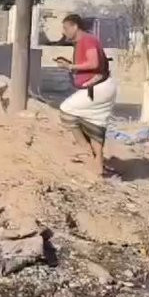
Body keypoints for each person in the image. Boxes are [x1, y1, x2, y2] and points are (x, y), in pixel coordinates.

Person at [55, 13, 117, 178]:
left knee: (66, 110)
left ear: (75, 26)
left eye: (66, 28)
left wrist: (70, 67)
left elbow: (93, 62)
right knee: (95, 123)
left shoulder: (86, 40)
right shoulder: (85, 41)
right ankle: (98, 165)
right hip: (101, 88)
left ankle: (86, 151)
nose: (64, 32)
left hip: (97, 89)